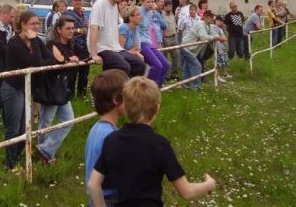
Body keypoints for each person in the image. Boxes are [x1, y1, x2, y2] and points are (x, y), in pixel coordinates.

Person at [88, 76, 216, 207]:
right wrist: (209, 184)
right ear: (157, 108)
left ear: (125, 105)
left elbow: (93, 184)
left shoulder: (112, 140)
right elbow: (186, 192)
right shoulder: (160, 145)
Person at [2, 11, 55, 170]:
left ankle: (17, 158)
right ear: (23, 25)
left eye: (37, 23)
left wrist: (35, 45)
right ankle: (10, 164)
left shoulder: (36, 40)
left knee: (25, 125)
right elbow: (37, 64)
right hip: (13, 88)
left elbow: (50, 59)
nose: (36, 26)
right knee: (14, 128)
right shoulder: (15, 43)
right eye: (32, 24)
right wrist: (35, 46)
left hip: (27, 88)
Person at [36, 16, 79, 163]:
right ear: (59, 30)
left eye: (73, 28)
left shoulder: (70, 45)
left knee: (68, 120)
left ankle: (45, 150)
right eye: (68, 28)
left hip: (64, 89)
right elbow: (59, 61)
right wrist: (69, 60)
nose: (71, 31)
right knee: (46, 122)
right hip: (51, 88)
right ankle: (43, 152)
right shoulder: (51, 44)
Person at [85, 69, 129, 207]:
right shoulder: (111, 135)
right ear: (116, 99)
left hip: (95, 195)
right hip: (107, 197)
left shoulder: (96, 129)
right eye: (127, 97)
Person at [87, 0, 145, 77]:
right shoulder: (100, 4)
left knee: (139, 65)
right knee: (124, 66)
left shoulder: (115, 6)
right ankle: (115, 90)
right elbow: (94, 29)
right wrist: (93, 53)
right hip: (102, 48)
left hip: (115, 47)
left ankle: (129, 90)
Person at [180, 10, 226, 89]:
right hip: (187, 47)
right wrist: (216, 38)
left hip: (192, 49)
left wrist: (220, 37)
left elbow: (212, 33)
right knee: (197, 66)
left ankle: (185, 85)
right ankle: (196, 87)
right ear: (205, 17)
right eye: (211, 18)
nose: (213, 20)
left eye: (213, 18)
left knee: (187, 68)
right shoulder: (200, 25)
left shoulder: (208, 25)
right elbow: (204, 37)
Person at [138, 0, 170, 88]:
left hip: (148, 42)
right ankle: (147, 88)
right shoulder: (138, 12)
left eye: (152, 2)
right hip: (140, 42)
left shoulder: (151, 12)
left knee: (166, 64)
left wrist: (156, 12)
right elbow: (134, 30)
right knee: (157, 66)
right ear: (142, 2)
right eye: (148, 2)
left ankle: (157, 88)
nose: (151, 4)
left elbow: (164, 25)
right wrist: (136, 47)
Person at [65, 0, 90, 98]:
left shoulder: (83, 14)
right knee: (73, 72)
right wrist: (80, 30)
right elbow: (65, 28)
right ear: (72, 2)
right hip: (74, 45)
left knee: (84, 72)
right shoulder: (68, 14)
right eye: (76, 1)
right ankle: (70, 95)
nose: (78, 2)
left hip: (84, 46)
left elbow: (86, 29)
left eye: (80, 0)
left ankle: (81, 94)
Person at [162, 0, 181, 81]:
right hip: (166, 38)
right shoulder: (161, 15)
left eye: (171, 6)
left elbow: (174, 25)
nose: (170, 8)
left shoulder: (172, 14)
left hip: (174, 37)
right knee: (165, 58)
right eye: (169, 6)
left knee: (176, 56)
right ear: (165, 6)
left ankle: (174, 74)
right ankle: (166, 76)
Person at [212, 16, 231, 82]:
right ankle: (217, 76)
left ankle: (221, 75)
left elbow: (224, 38)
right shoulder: (212, 27)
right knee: (218, 63)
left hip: (222, 47)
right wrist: (221, 38)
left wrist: (221, 38)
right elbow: (216, 37)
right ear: (217, 21)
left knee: (222, 61)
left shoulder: (220, 29)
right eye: (221, 21)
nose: (222, 23)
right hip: (216, 48)